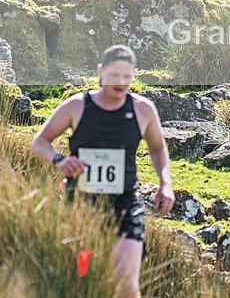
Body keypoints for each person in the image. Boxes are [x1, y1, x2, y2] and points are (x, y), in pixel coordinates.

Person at [32, 45, 174, 298]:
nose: (120, 83)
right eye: (114, 75)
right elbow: (40, 142)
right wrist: (59, 160)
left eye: (126, 76)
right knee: (83, 280)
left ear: (134, 75)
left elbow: (157, 149)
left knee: (126, 281)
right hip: (81, 207)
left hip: (125, 205)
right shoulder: (76, 106)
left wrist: (165, 183)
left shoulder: (143, 109)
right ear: (101, 71)